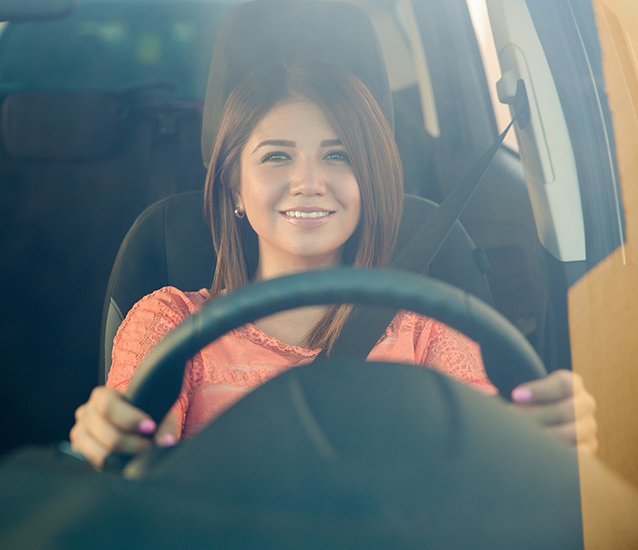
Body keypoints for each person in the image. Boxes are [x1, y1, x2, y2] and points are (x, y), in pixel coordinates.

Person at [69, 60, 598, 469]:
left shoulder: (426, 333)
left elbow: (488, 460)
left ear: (369, 181)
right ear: (234, 184)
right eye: (276, 156)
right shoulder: (172, 325)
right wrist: (114, 442)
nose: (309, 182)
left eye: (338, 155)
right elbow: (130, 456)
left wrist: (538, 437)